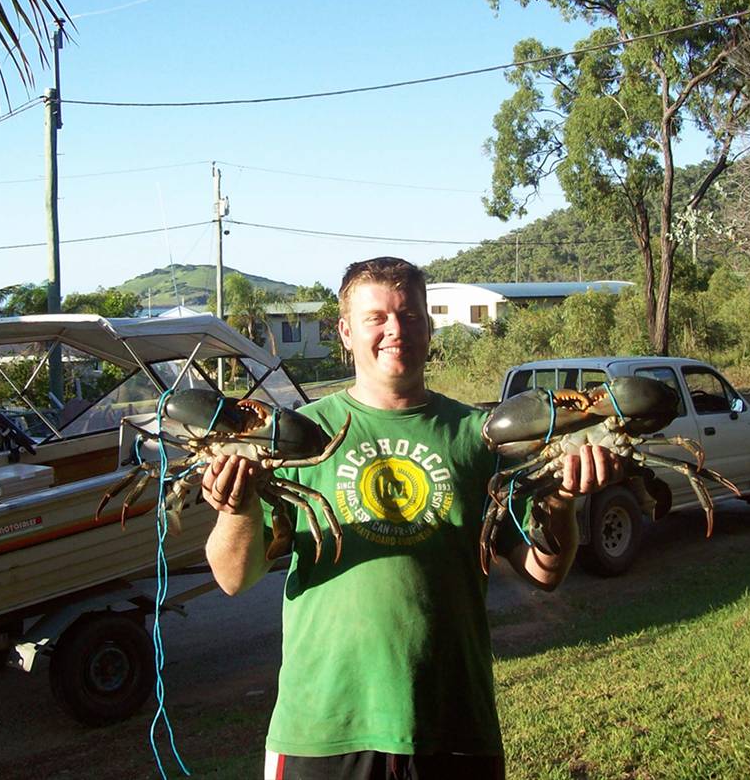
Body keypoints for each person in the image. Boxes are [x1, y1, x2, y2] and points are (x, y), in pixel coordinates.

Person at [201, 257, 624, 780]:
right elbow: (231, 576)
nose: (395, 330)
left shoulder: (483, 436)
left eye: (410, 315)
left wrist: (560, 501)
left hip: (454, 723)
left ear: (429, 327)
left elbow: (544, 573)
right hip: (324, 727)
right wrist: (236, 507)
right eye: (376, 317)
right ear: (345, 332)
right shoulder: (295, 437)